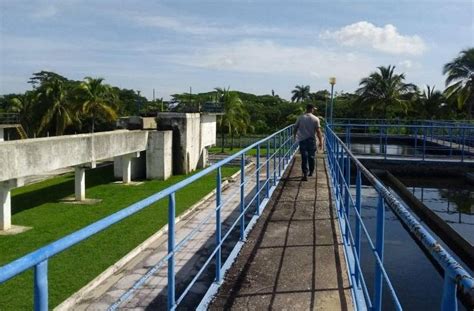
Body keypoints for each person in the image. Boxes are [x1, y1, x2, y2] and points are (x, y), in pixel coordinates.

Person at [293, 104, 323, 181]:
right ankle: (311, 171)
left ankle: (305, 174)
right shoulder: (315, 118)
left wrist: (294, 137)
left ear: (306, 109)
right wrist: (321, 142)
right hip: (311, 140)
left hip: (302, 140)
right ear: (312, 109)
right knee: (311, 156)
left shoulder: (300, 117)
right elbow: (318, 131)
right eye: (313, 109)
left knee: (304, 157)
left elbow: (295, 128)